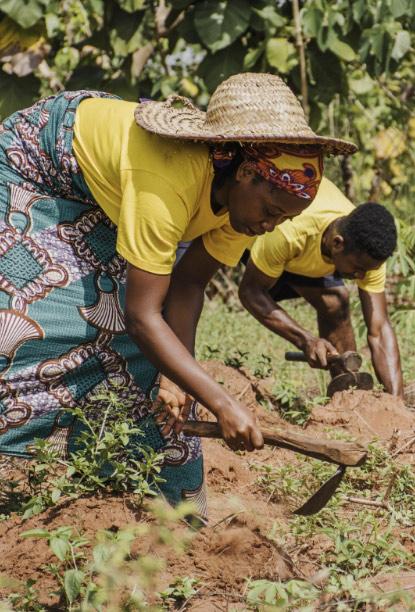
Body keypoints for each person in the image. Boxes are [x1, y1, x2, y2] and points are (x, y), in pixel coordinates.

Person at [0, 73, 356, 515]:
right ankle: (12, 482)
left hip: (108, 192)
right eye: (270, 212)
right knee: (33, 328)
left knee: (154, 364)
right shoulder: (168, 180)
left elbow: (188, 285)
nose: (270, 227)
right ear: (246, 173)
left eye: (283, 220)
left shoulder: (241, 206)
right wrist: (222, 402)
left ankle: (176, 516)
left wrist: (179, 380)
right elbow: (144, 316)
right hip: (36, 168)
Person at [237, 183, 403, 396]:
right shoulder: (291, 232)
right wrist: (305, 340)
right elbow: (250, 292)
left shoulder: (368, 249)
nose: (361, 276)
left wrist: (398, 402)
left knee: (336, 303)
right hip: (260, 245)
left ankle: (346, 395)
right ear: (337, 243)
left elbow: (379, 330)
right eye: (358, 268)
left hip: (304, 254)